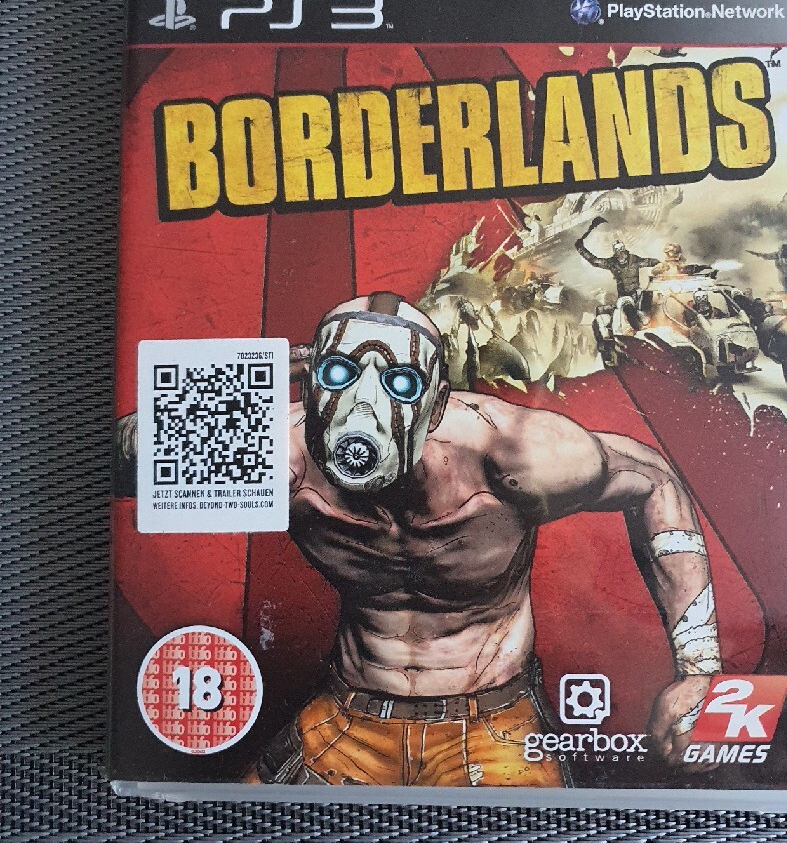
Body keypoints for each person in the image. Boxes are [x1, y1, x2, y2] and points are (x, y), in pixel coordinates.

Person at [117, 291, 731, 788]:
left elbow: (653, 478)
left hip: (494, 725)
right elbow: (112, 459)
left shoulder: (512, 455)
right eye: (339, 374)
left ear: (436, 405)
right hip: (347, 718)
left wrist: (700, 669)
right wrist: (266, 375)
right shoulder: (285, 457)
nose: (363, 406)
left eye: (401, 384)